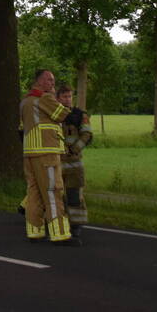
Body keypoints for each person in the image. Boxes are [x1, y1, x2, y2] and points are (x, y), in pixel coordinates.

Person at [20, 68, 78, 245]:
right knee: (53, 191)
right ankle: (60, 234)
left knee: (34, 192)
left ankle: (35, 231)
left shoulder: (25, 101)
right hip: (46, 152)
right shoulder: (44, 97)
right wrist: (54, 96)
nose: (52, 84)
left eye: (53, 81)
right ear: (39, 82)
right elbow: (62, 114)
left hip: (29, 152)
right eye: (49, 80)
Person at [57, 84, 93, 237]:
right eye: (64, 96)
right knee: (56, 197)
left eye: (70, 96)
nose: (68, 99)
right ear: (57, 98)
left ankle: (76, 228)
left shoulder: (80, 115)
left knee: (74, 196)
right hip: (56, 162)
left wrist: (74, 149)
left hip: (74, 163)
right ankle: (58, 226)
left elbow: (87, 135)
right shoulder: (52, 114)